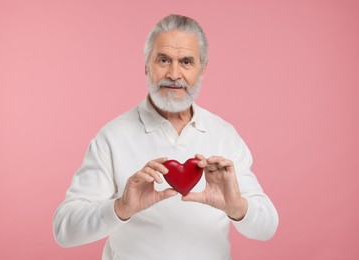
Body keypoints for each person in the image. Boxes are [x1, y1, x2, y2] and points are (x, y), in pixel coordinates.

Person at [53, 14, 279, 260]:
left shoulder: (225, 135)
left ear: (202, 71)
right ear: (146, 65)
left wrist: (237, 207)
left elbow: (267, 227)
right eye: (163, 60)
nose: (174, 74)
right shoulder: (112, 137)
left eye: (186, 62)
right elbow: (64, 231)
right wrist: (121, 208)